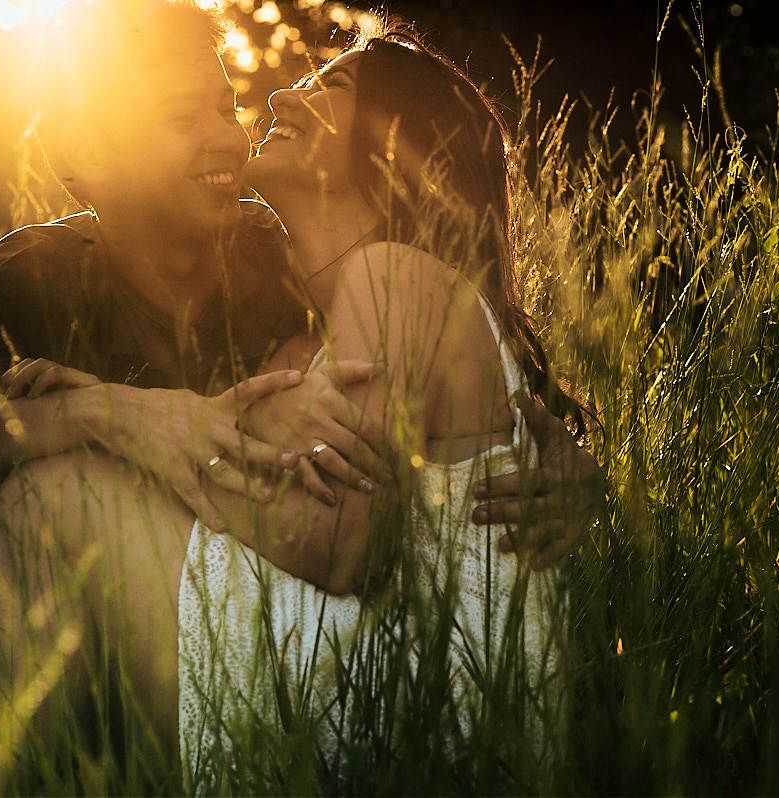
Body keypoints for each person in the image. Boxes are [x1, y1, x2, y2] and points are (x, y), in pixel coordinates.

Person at [0, 1, 600, 793]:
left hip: (387, 676)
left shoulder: (315, 274)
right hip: (244, 641)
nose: (235, 128)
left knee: (58, 500)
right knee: (59, 504)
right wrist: (107, 416)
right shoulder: (35, 274)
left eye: (224, 104)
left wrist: (570, 460)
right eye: (182, 116)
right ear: (83, 152)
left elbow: (447, 434)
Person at [177, 28, 589, 790]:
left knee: (62, 503)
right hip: (375, 685)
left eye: (330, 86)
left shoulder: (394, 276)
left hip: (425, 725)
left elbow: (343, 545)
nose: (278, 95)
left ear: (393, 144)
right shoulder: (312, 333)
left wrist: (155, 447)